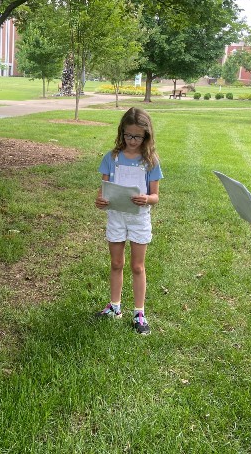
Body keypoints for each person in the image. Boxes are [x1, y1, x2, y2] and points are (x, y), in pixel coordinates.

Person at [95, 107, 163, 335]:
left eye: (137, 136)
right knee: (116, 263)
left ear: (146, 136)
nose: (132, 140)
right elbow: (103, 190)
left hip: (139, 218)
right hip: (116, 215)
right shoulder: (111, 158)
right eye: (128, 135)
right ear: (121, 133)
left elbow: (155, 196)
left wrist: (147, 199)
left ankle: (139, 312)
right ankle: (114, 307)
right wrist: (101, 200)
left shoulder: (150, 161)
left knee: (137, 266)